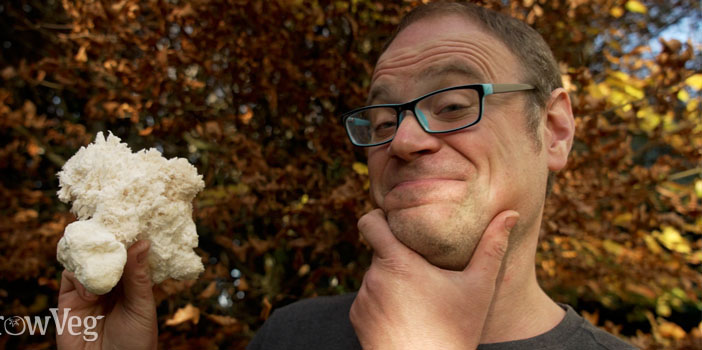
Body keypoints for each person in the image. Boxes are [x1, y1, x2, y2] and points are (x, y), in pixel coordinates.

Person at [57, 1, 638, 349]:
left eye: (456, 104)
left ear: (555, 130)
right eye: (382, 118)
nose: (404, 140)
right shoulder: (290, 335)